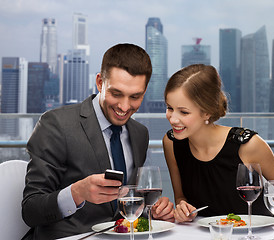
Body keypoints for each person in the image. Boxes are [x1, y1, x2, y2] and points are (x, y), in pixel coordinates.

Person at [22, 43, 174, 239]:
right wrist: (77, 193)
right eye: (116, 93)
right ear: (100, 82)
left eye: (135, 97)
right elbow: (30, 210)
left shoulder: (139, 134)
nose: (124, 106)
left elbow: (126, 204)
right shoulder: (56, 124)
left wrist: (151, 211)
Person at [162, 64, 274, 224]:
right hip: (207, 235)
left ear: (207, 112)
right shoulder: (171, 143)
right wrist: (182, 208)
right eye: (169, 108)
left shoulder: (248, 145)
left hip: (258, 233)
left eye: (184, 112)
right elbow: (181, 197)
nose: (172, 119)